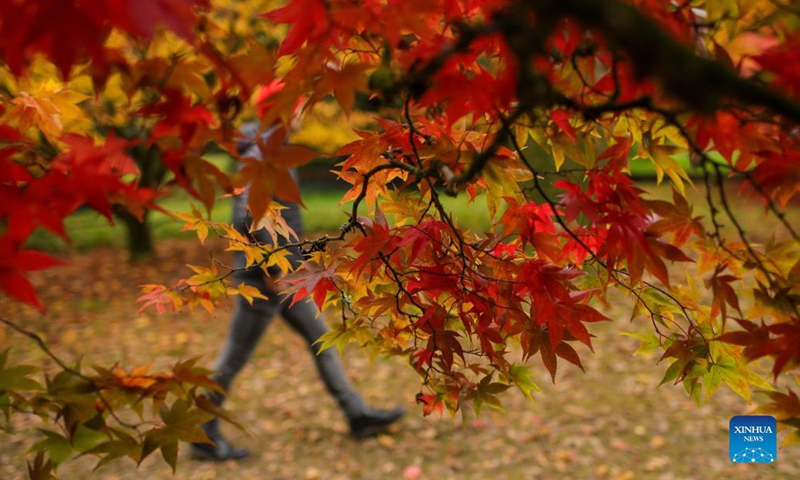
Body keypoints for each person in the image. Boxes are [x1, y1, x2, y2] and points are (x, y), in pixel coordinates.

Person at [189, 119, 404, 462]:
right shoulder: (263, 157)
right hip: (264, 281)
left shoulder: (271, 154)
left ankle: (357, 414)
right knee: (234, 357)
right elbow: (249, 215)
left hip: (284, 277)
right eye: (296, 112)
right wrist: (274, 269)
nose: (303, 119)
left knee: (323, 342)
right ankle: (200, 433)